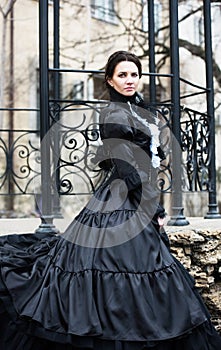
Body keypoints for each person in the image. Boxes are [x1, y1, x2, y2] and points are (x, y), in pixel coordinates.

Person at [0, 50, 220, 350]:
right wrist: (153, 207)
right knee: (121, 267)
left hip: (131, 195)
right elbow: (128, 169)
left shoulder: (135, 108)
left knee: (142, 269)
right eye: (122, 75)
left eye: (134, 74)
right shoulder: (114, 113)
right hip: (124, 198)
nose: (130, 80)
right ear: (110, 80)